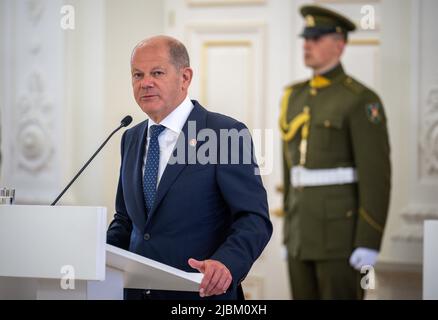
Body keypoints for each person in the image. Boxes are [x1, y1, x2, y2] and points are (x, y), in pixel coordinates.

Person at [107, 35, 272, 300]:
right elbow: (126, 219)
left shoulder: (225, 134)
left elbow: (254, 220)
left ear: (185, 78)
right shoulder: (131, 137)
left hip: (200, 294)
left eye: (157, 73)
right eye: (137, 75)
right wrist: (96, 257)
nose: (145, 82)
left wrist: (226, 263)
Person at [279, 5, 391, 299]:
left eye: (316, 38)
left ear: (339, 44)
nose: (307, 44)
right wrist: (289, 234)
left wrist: (369, 240)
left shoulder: (360, 100)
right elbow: (290, 169)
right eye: (305, 38)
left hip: (341, 240)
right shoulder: (294, 96)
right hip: (300, 235)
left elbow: (376, 176)